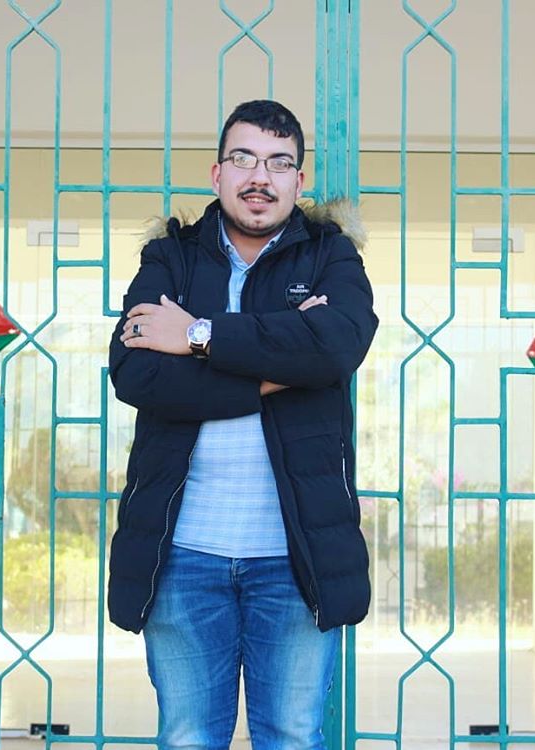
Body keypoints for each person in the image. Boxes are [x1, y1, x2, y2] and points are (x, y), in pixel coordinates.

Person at [108, 99, 378, 750]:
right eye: (245, 159)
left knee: (290, 737)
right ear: (217, 173)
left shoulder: (332, 258)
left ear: (299, 181)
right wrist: (282, 365)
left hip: (295, 557)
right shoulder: (169, 258)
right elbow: (137, 374)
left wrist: (197, 336)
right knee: (188, 738)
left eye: (280, 163)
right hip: (182, 554)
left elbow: (337, 347)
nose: (261, 177)